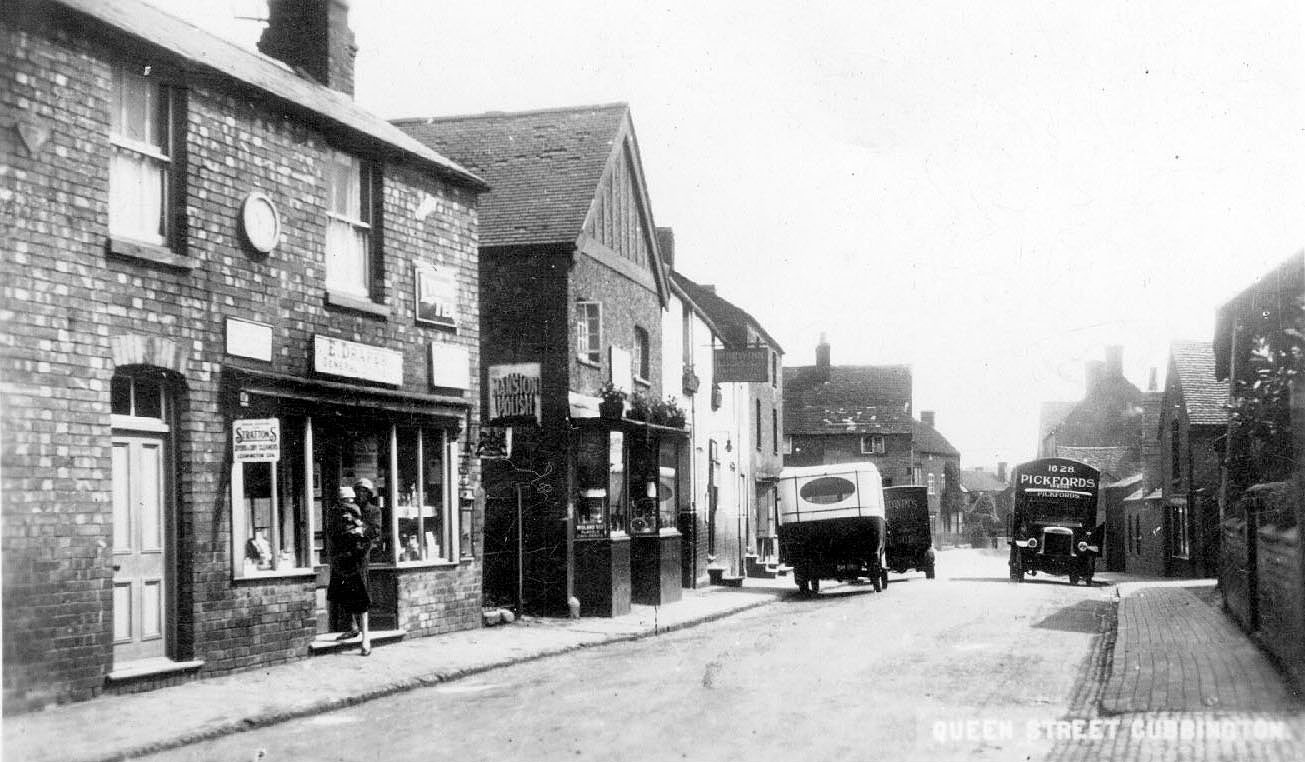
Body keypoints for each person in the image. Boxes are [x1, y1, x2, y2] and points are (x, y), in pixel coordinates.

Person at [326, 485, 373, 656]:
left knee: (362, 600)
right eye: (346, 500)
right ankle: (353, 628)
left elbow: (371, 533)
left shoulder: (362, 513)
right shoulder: (335, 515)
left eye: (352, 500)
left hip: (358, 560)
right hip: (343, 560)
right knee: (346, 596)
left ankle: (365, 639)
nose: (350, 503)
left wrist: (357, 526)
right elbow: (332, 535)